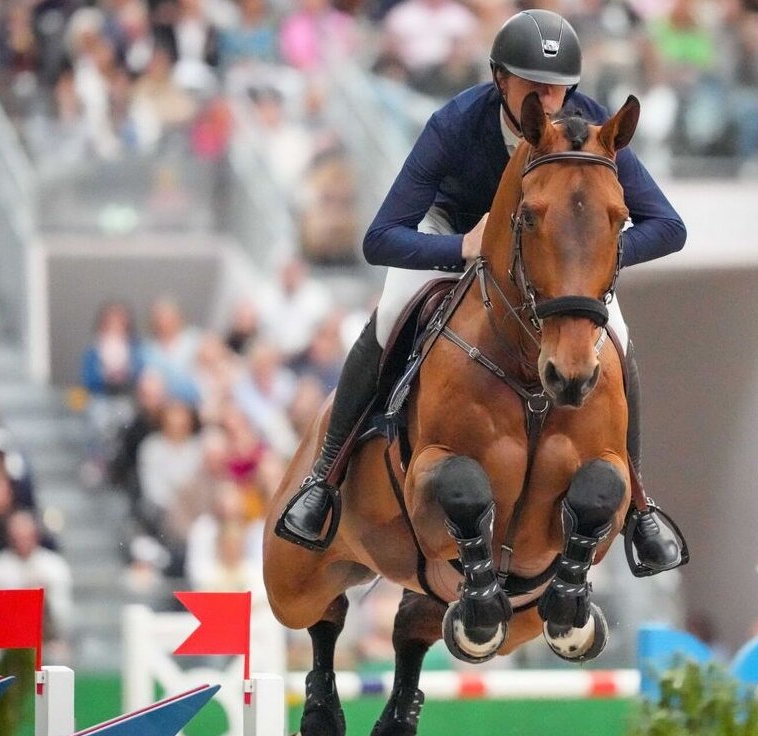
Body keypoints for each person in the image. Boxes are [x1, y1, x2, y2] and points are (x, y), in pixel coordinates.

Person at [277, 10, 689, 576]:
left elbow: (668, 226)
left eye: (558, 85)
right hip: (456, 237)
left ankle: (640, 504)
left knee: (618, 336)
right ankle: (324, 478)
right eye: (532, 84)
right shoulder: (455, 124)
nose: (548, 97)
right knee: (389, 314)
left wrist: (586, 263)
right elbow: (380, 237)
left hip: (547, 269)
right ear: (501, 80)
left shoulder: (589, 130)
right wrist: (459, 249)